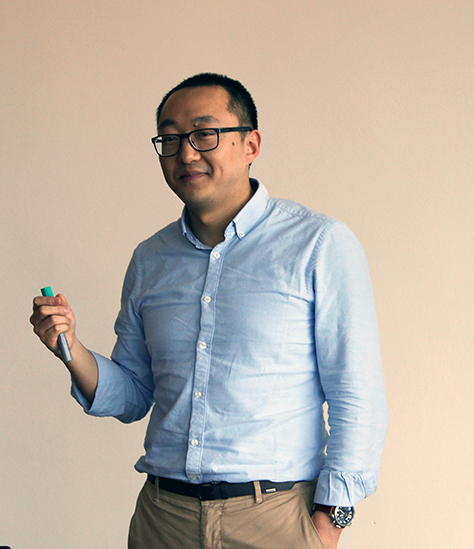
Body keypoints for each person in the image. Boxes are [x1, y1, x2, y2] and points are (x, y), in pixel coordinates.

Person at [30, 73, 389, 549]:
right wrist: (70, 348)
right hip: (163, 518)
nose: (186, 153)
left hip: (275, 519)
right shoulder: (150, 259)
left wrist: (330, 521)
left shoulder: (318, 245)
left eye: (204, 133)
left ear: (251, 144)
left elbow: (356, 391)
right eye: (171, 138)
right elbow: (135, 394)